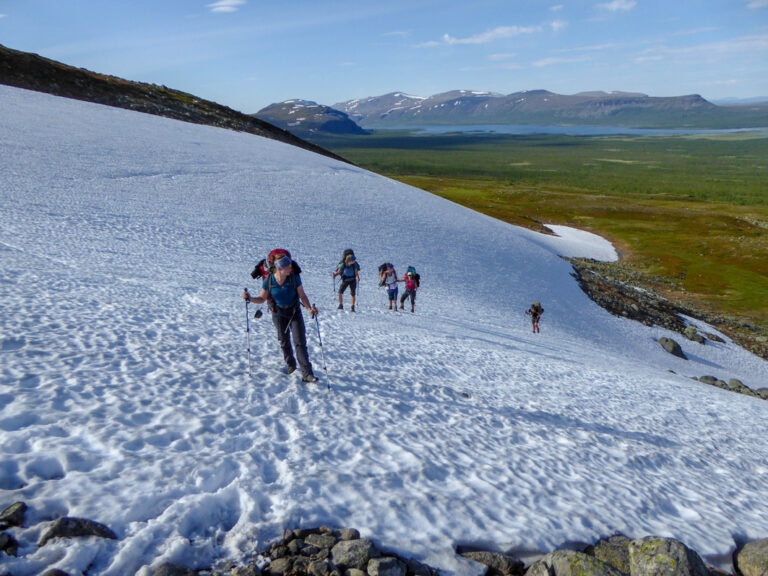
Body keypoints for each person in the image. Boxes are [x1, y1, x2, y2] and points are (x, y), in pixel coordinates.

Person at [243, 252, 319, 383]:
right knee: (283, 340)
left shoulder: (294, 278)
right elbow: (262, 298)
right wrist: (250, 298)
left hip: (294, 312)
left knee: (300, 342)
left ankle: (307, 373)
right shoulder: (269, 281)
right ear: (279, 268)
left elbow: (302, 295)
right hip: (278, 313)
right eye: (288, 267)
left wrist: (309, 309)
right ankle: (291, 364)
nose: (290, 269)